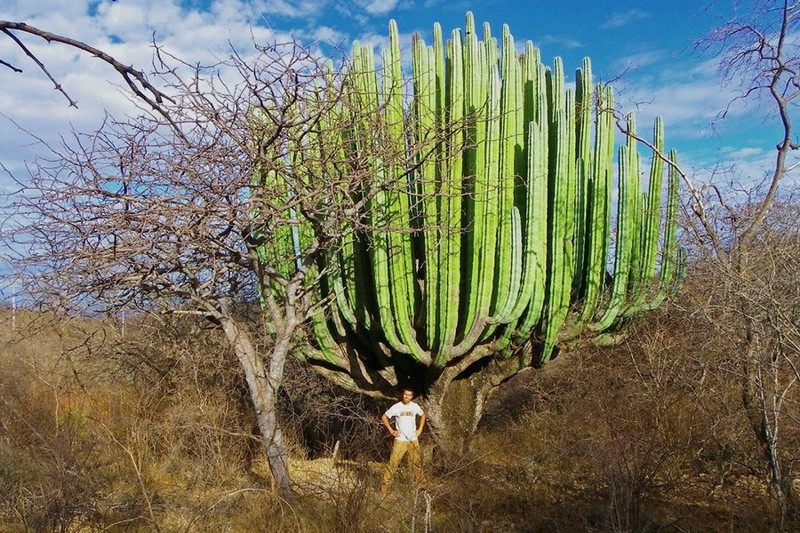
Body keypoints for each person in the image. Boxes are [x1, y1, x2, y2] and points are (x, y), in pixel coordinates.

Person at [380, 387, 427, 496]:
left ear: (412, 396)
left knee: (417, 464)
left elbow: (423, 415)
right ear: (403, 395)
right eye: (406, 395)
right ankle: (384, 491)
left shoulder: (415, 406)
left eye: (410, 395)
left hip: (413, 440)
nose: (407, 397)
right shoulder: (397, 407)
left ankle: (424, 488)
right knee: (392, 465)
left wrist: (419, 429)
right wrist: (391, 430)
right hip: (400, 441)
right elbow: (384, 417)